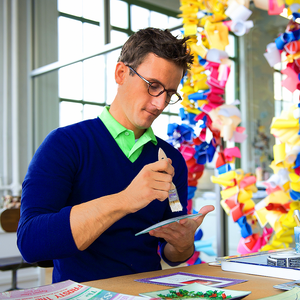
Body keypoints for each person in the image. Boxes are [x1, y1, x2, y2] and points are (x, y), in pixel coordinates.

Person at [17, 27, 214, 284]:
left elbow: (174, 254)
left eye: (169, 93)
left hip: (148, 292)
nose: (160, 104)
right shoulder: (65, 145)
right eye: (153, 86)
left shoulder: (171, 160)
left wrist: (183, 244)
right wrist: (125, 200)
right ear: (121, 73)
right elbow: (31, 243)